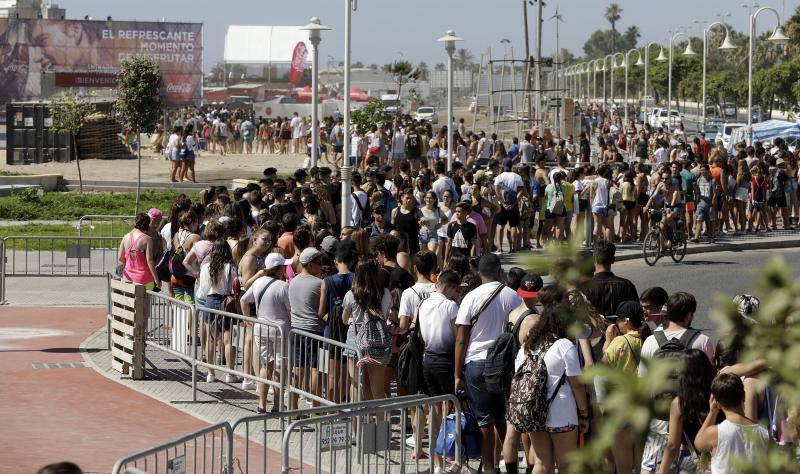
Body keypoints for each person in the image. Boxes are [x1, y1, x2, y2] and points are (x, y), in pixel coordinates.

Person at [454, 254, 523, 472]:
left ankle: (490, 468)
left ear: (479, 273)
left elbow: (461, 338)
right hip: (505, 364)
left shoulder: (471, 297)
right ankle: (510, 461)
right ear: (499, 271)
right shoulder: (513, 296)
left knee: (484, 420)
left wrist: (457, 374)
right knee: (504, 417)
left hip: (475, 363)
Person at [516, 304, 590, 474]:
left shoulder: (526, 347)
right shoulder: (563, 345)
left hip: (533, 412)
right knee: (566, 465)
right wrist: (584, 414)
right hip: (561, 414)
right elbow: (576, 384)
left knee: (542, 464)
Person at [241, 252, 292, 413]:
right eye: (283, 266)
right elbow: (291, 311)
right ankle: (277, 405)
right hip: (280, 331)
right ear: (278, 269)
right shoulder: (284, 287)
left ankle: (261, 404)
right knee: (278, 368)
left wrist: (248, 319)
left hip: (261, 328)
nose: (285, 268)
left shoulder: (258, 282)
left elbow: (243, 300)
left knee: (265, 367)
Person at [655, 349, 717, 474]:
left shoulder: (680, 403)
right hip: (719, 456)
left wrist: (661, 472)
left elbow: (673, 445)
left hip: (691, 458)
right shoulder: (718, 396)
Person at [601, 300, 645, 474]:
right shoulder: (646, 338)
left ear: (626, 320)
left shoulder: (619, 342)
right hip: (641, 406)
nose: (616, 324)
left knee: (623, 464)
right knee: (641, 460)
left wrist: (608, 340)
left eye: (618, 320)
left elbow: (601, 366)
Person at [694, 373, 770, 473]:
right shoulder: (764, 432)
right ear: (744, 396)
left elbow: (698, 443)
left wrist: (712, 413)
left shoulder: (715, 432)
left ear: (717, 403)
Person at [342, 258, 392, 406]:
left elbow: (344, 320)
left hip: (355, 338)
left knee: (356, 385)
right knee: (378, 391)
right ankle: (381, 427)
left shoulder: (351, 294)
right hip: (378, 340)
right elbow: (386, 316)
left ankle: (356, 428)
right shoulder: (385, 293)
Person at [638, 292, 715, 377]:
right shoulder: (702, 341)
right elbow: (711, 377)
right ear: (689, 315)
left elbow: (643, 377)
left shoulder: (650, 341)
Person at [287, 247, 325, 409]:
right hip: (314, 331)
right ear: (309, 265)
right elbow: (322, 309)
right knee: (316, 369)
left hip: (296, 330)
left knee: (298, 369)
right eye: (318, 263)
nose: (321, 266)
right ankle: (315, 408)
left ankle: (293, 408)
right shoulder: (320, 283)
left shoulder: (292, 282)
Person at [196, 239, 237, 384]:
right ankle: (230, 374)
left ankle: (210, 373)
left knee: (211, 339)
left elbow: (202, 291)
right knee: (228, 338)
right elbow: (234, 288)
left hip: (210, 301)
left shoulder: (206, 267)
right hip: (225, 302)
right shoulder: (230, 267)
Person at [585, 240, 639, 318]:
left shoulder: (585, 286)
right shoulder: (627, 285)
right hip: (621, 329)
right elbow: (636, 313)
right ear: (613, 260)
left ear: (594, 258)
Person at [117, 213, 160, 290]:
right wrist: (156, 279)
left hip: (127, 277)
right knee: (145, 300)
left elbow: (120, 258)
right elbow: (150, 261)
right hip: (144, 278)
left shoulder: (126, 237)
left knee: (129, 300)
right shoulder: (147, 239)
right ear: (147, 224)